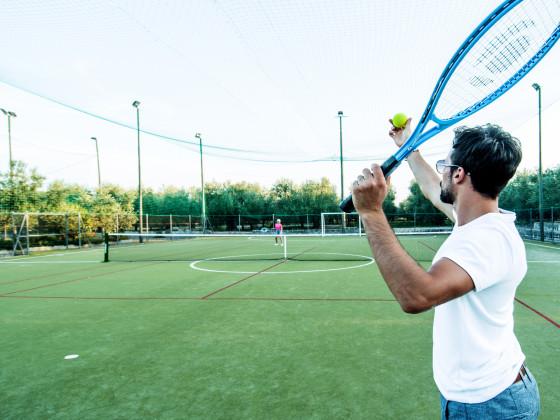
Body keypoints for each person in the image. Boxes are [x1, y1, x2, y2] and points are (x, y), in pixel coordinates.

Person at [351, 118, 540, 419]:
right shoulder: (477, 221)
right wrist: (409, 148)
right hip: (485, 397)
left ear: (459, 174)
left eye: (445, 167)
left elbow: (417, 296)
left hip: (488, 405)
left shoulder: (487, 239)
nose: (441, 174)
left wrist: (371, 212)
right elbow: (431, 187)